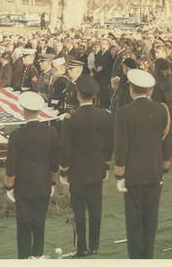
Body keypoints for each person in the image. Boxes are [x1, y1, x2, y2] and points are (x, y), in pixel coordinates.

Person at [114, 69, 172, 259]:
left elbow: (121, 146)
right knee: (150, 219)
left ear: (131, 89)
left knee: (134, 220)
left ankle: (136, 258)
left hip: (132, 174)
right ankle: (148, 257)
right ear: (150, 90)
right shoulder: (161, 110)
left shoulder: (124, 112)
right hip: (154, 173)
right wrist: (165, 167)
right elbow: (166, 141)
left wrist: (119, 174)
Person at [59, 75, 114, 258]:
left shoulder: (71, 120)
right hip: (97, 168)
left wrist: (64, 169)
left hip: (77, 171)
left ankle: (81, 247)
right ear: (94, 96)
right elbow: (108, 144)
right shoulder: (104, 117)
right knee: (96, 208)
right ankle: (94, 245)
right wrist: (106, 165)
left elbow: (66, 148)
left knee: (79, 210)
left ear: (78, 95)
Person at [5, 92, 60, 259]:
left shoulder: (16, 135)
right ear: (39, 111)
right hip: (43, 184)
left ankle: (23, 257)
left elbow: (11, 165)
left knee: (23, 224)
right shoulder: (52, 132)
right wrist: (52, 183)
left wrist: (9, 186)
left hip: (22, 186)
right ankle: (38, 254)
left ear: (23, 110)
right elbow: (55, 163)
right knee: (39, 222)